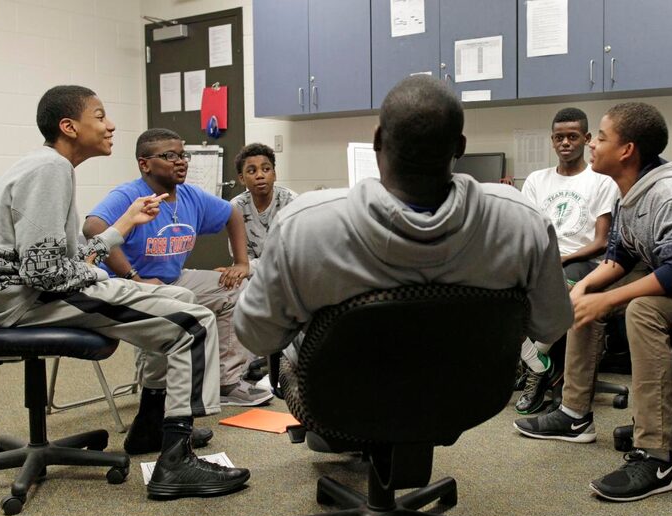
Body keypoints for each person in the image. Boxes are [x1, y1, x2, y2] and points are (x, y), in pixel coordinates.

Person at [0, 86, 250, 500]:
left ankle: (158, 423)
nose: (111, 125)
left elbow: (56, 259)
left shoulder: (49, 166)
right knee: (194, 322)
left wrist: (124, 227)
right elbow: (43, 272)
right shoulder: (50, 171)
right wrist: (110, 280)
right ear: (69, 127)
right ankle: (174, 464)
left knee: (185, 302)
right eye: (99, 116)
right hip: (29, 303)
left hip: (31, 294)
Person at [232, 76, 573, 389]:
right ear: (460, 146)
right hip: (466, 397)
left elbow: (256, 335)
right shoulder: (522, 221)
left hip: (340, 397)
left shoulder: (302, 225)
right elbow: (551, 324)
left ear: (378, 140)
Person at [514, 102, 672, 502]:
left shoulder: (668, 195)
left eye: (600, 136)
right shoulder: (628, 192)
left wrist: (610, 298)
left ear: (627, 150)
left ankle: (656, 457)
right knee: (590, 294)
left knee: (642, 311)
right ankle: (574, 416)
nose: (592, 144)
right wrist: (584, 290)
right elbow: (621, 257)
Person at [83, 129, 274, 423]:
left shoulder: (191, 196)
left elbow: (231, 215)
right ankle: (155, 401)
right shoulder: (129, 194)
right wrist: (134, 277)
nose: (180, 162)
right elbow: (93, 228)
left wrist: (241, 263)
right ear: (144, 164)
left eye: (182, 155)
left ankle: (227, 381)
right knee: (168, 306)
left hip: (173, 280)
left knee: (235, 290)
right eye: (169, 156)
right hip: (124, 286)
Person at [514, 107, 619, 415]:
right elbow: (526, 230)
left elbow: (601, 242)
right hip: (544, 260)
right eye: (559, 137)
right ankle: (536, 363)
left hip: (584, 263)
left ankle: (536, 367)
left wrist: (560, 258)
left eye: (573, 137)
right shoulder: (536, 180)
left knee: (565, 280)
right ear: (552, 140)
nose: (565, 143)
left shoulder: (600, 180)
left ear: (586, 139)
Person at [231, 143, 297, 277]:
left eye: (266, 169)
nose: (260, 175)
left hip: (287, 274)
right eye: (252, 171)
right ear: (242, 178)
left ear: (274, 174)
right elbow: (241, 258)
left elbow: (290, 255)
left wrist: (247, 268)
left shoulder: (291, 202)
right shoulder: (236, 207)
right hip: (253, 276)